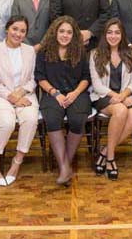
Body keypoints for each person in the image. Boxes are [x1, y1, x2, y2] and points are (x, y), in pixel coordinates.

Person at [35, 16, 91, 186]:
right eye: (62, 31)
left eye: (69, 32)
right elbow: (40, 76)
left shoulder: (80, 51)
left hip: (77, 93)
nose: (65, 35)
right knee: (52, 119)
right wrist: (55, 93)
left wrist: (74, 93)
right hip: (53, 94)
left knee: (77, 119)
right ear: (55, 32)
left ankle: (64, 166)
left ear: (73, 35)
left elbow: (86, 78)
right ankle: (65, 168)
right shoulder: (44, 51)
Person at [0, 15, 39, 186]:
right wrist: (12, 97)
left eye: (22, 31)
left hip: (25, 94)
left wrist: (22, 92)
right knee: (7, 122)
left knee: (30, 120)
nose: (18, 33)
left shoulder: (29, 51)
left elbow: (32, 79)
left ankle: (17, 161)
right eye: (15, 29)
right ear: (7, 29)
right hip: (0, 95)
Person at [89, 18, 132, 180]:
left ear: (122, 35)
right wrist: (117, 97)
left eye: (117, 32)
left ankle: (104, 151)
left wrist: (124, 95)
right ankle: (111, 157)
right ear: (105, 35)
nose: (113, 36)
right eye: (109, 32)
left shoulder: (131, 54)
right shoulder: (95, 54)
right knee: (120, 111)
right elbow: (97, 85)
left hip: (125, 95)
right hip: (103, 96)